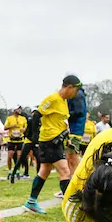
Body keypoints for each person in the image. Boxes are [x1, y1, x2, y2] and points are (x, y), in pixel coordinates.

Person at [23, 75, 82, 214]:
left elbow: (61, 122)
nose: (76, 94)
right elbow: (37, 115)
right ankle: (71, 207)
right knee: (65, 171)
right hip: (50, 141)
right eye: (75, 90)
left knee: (45, 170)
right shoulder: (53, 99)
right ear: (69, 87)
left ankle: (31, 202)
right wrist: (35, 137)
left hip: (57, 141)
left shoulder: (63, 102)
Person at [10, 107, 40, 183]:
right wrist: (32, 139)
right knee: (21, 158)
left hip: (35, 142)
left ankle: (38, 176)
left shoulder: (40, 122)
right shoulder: (30, 121)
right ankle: (13, 174)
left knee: (38, 159)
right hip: (28, 142)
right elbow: (27, 132)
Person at [65, 78, 87, 176]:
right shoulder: (78, 95)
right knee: (70, 158)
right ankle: (71, 182)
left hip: (75, 130)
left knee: (72, 158)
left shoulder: (77, 95)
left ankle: (75, 182)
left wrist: (65, 116)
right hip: (73, 130)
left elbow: (79, 112)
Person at [4, 107, 27, 176]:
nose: (19, 110)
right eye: (18, 109)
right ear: (14, 110)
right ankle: (10, 170)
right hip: (11, 140)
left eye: (20, 109)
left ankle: (17, 170)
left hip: (20, 139)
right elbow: (5, 128)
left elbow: (26, 127)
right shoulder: (9, 118)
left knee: (19, 156)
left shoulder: (23, 118)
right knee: (10, 155)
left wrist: (24, 129)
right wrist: (12, 126)